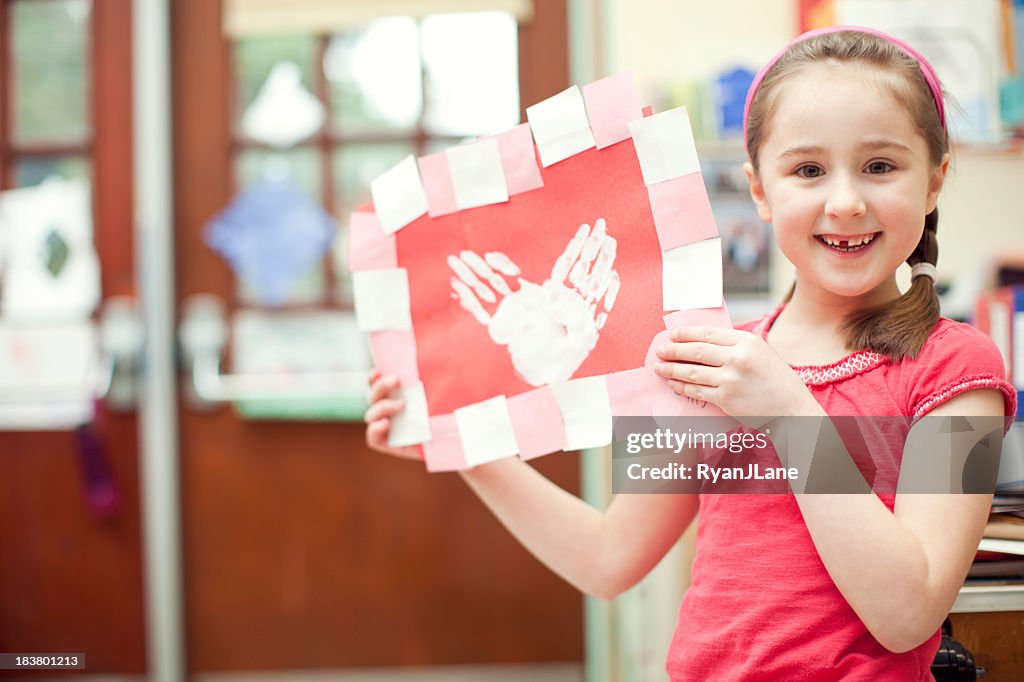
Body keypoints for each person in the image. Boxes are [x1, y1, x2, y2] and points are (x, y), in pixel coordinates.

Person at [364, 26, 1018, 680]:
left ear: (934, 182)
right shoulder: (706, 362)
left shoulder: (962, 370)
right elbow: (608, 558)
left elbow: (907, 615)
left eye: (880, 166)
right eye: (807, 170)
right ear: (759, 190)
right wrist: (464, 448)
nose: (844, 202)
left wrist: (788, 413)